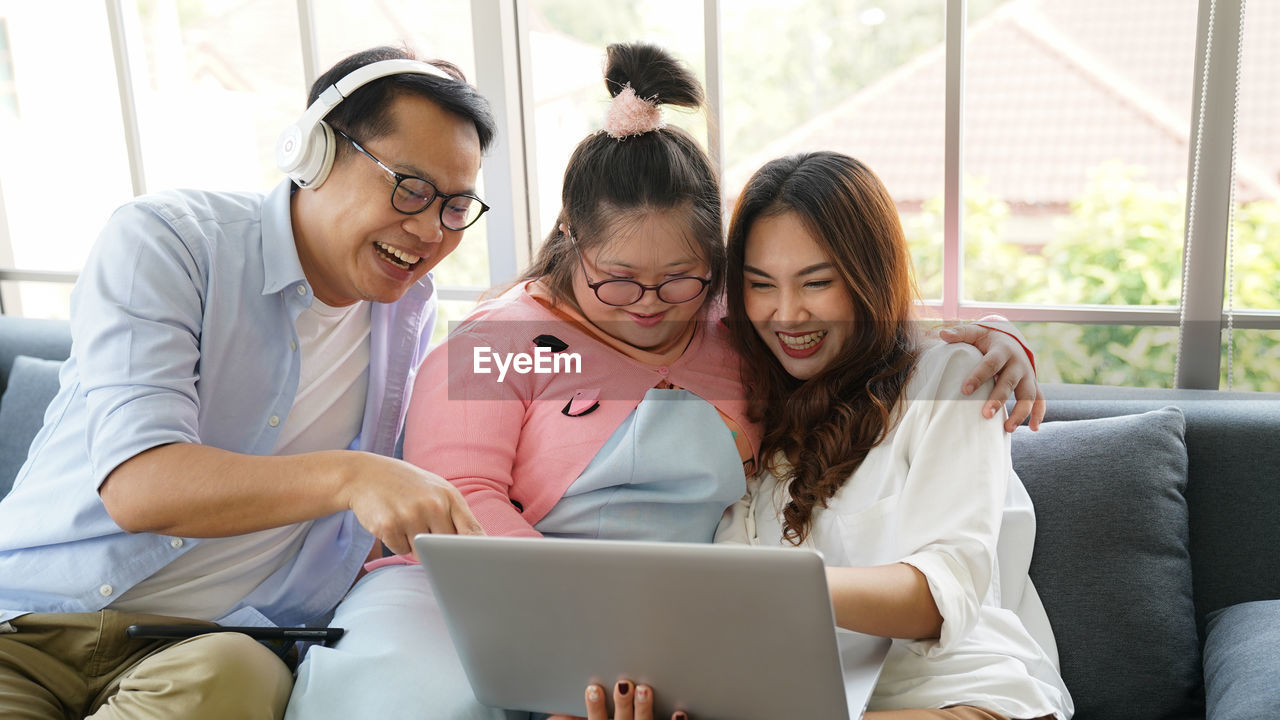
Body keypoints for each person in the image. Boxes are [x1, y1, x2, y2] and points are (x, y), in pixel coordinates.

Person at [287, 43, 1042, 720]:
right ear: (571, 244)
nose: (649, 308)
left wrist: (996, 336)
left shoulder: (737, 328)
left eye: (678, 281)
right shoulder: (509, 344)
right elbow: (461, 499)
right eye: (617, 282)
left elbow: (855, 335)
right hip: (481, 593)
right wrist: (588, 618)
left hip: (678, 625)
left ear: (714, 267)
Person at [0, 46, 494, 720]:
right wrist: (353, 476)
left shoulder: (411, 309)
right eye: (410, 189)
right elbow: (141, 485)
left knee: (231, 673)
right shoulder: (167, 242)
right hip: (27, 624)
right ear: (315, 153)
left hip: (206, 653)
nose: (432, 230)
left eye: (456, 206)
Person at [708, 151, 1073, 719]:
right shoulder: (743, 412)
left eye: (816, 282)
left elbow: (938, 595)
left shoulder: (953, 378)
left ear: (865, 275)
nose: (787, 314)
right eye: (760, 285)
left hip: (960, 698)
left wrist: (776, 588)